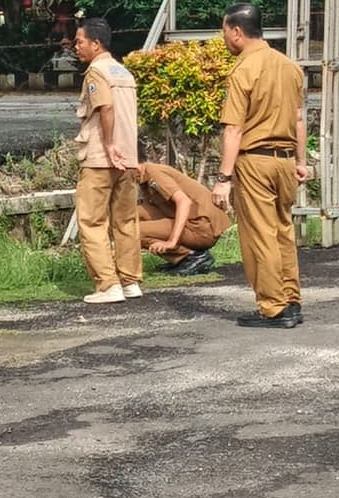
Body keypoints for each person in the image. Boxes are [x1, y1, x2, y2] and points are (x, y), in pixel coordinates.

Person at [211, 3, 307, 328]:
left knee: (260, 235)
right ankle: (291, 300)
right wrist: (301, 161)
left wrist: (223, 177)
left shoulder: (244, 69)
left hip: (255, 161)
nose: (224, 37)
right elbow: (298, 119)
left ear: (237, 32)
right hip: (285, 161)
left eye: (225, 31)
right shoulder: (290, 67)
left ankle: (273, 306)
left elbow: (233, 129)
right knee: (283, 232)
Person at [73, 17, 142, 304]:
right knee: (126, 220)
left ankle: (107, 284)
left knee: (91, 220)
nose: (76, 47)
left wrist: (110, 144)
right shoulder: (124, 73)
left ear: (95, 43)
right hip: (128, 158)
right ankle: (130, 281)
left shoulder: (97, 72)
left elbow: (106, 108)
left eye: (80, 41)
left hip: (102, 157)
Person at [135, 158, 230, 276]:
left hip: (202, 228)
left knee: (134, 231)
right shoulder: (143, 177)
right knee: (132, 215)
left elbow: (184, 202)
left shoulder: (154, 173)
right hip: (194, 223)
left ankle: (191, 256)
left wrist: (171, 242)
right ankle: (183, 258)